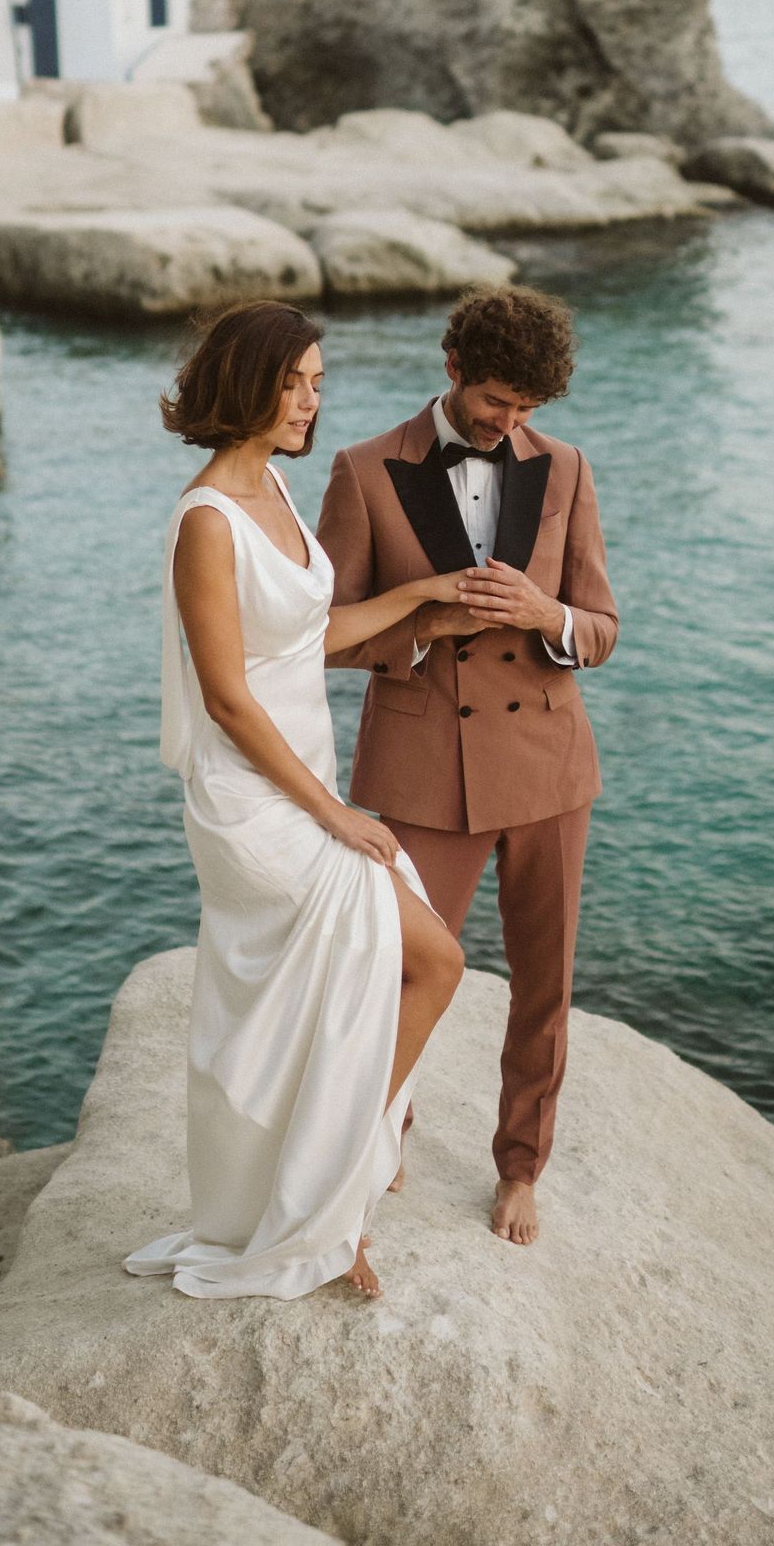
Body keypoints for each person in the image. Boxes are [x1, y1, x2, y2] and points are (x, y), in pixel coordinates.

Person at [123, 301, 466, 1301]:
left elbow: (303, 636)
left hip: (303, 788)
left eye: (319, 382)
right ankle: (329, 1209)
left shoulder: (275, 484)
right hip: (259, 808)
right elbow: (229, 697)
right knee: (430, 963)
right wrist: (332, 812)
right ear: (252, 384)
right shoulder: (204, 522)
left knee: (347, 999)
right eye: (298, 383)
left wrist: (419, 598)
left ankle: (332, 1197)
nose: (315, 401)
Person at [317, 286, 618, 1245]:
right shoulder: (365, 471)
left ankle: (520, 1169)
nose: (510, 423)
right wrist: (425, 624)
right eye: (496, 402)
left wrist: (548, 617)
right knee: (397, 971)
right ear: (452, 370)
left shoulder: (565, 470)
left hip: (547, 768)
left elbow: (603, 628)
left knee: (545, 982)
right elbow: (322, 637)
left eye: (528, 410)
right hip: (421, 770)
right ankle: (381, 1134)